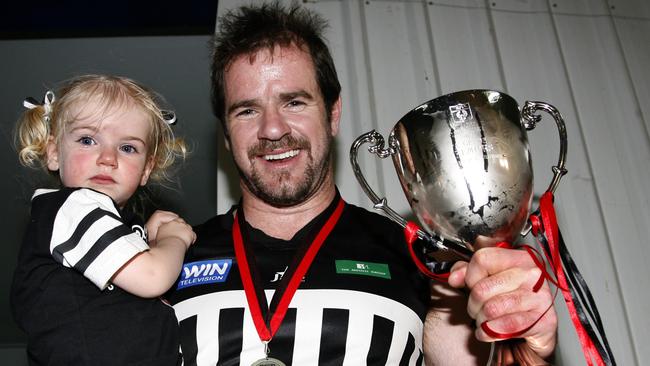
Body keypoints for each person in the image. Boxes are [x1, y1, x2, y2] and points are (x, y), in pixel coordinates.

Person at [166, 3, 557, 365]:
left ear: (333, 114)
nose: (272, 129)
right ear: (227, 134)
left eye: (294, 102)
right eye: (247, 110)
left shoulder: (416, 259)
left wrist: (518, 338)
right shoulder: (170, 258)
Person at [10, 74, 197, 365]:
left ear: (146, 169)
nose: (108, 158)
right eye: (87, 140)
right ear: (53, 152)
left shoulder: (98, 223)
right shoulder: (72, 206)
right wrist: (175, 239)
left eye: (127, 148)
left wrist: (145, 240)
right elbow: (153, 277)